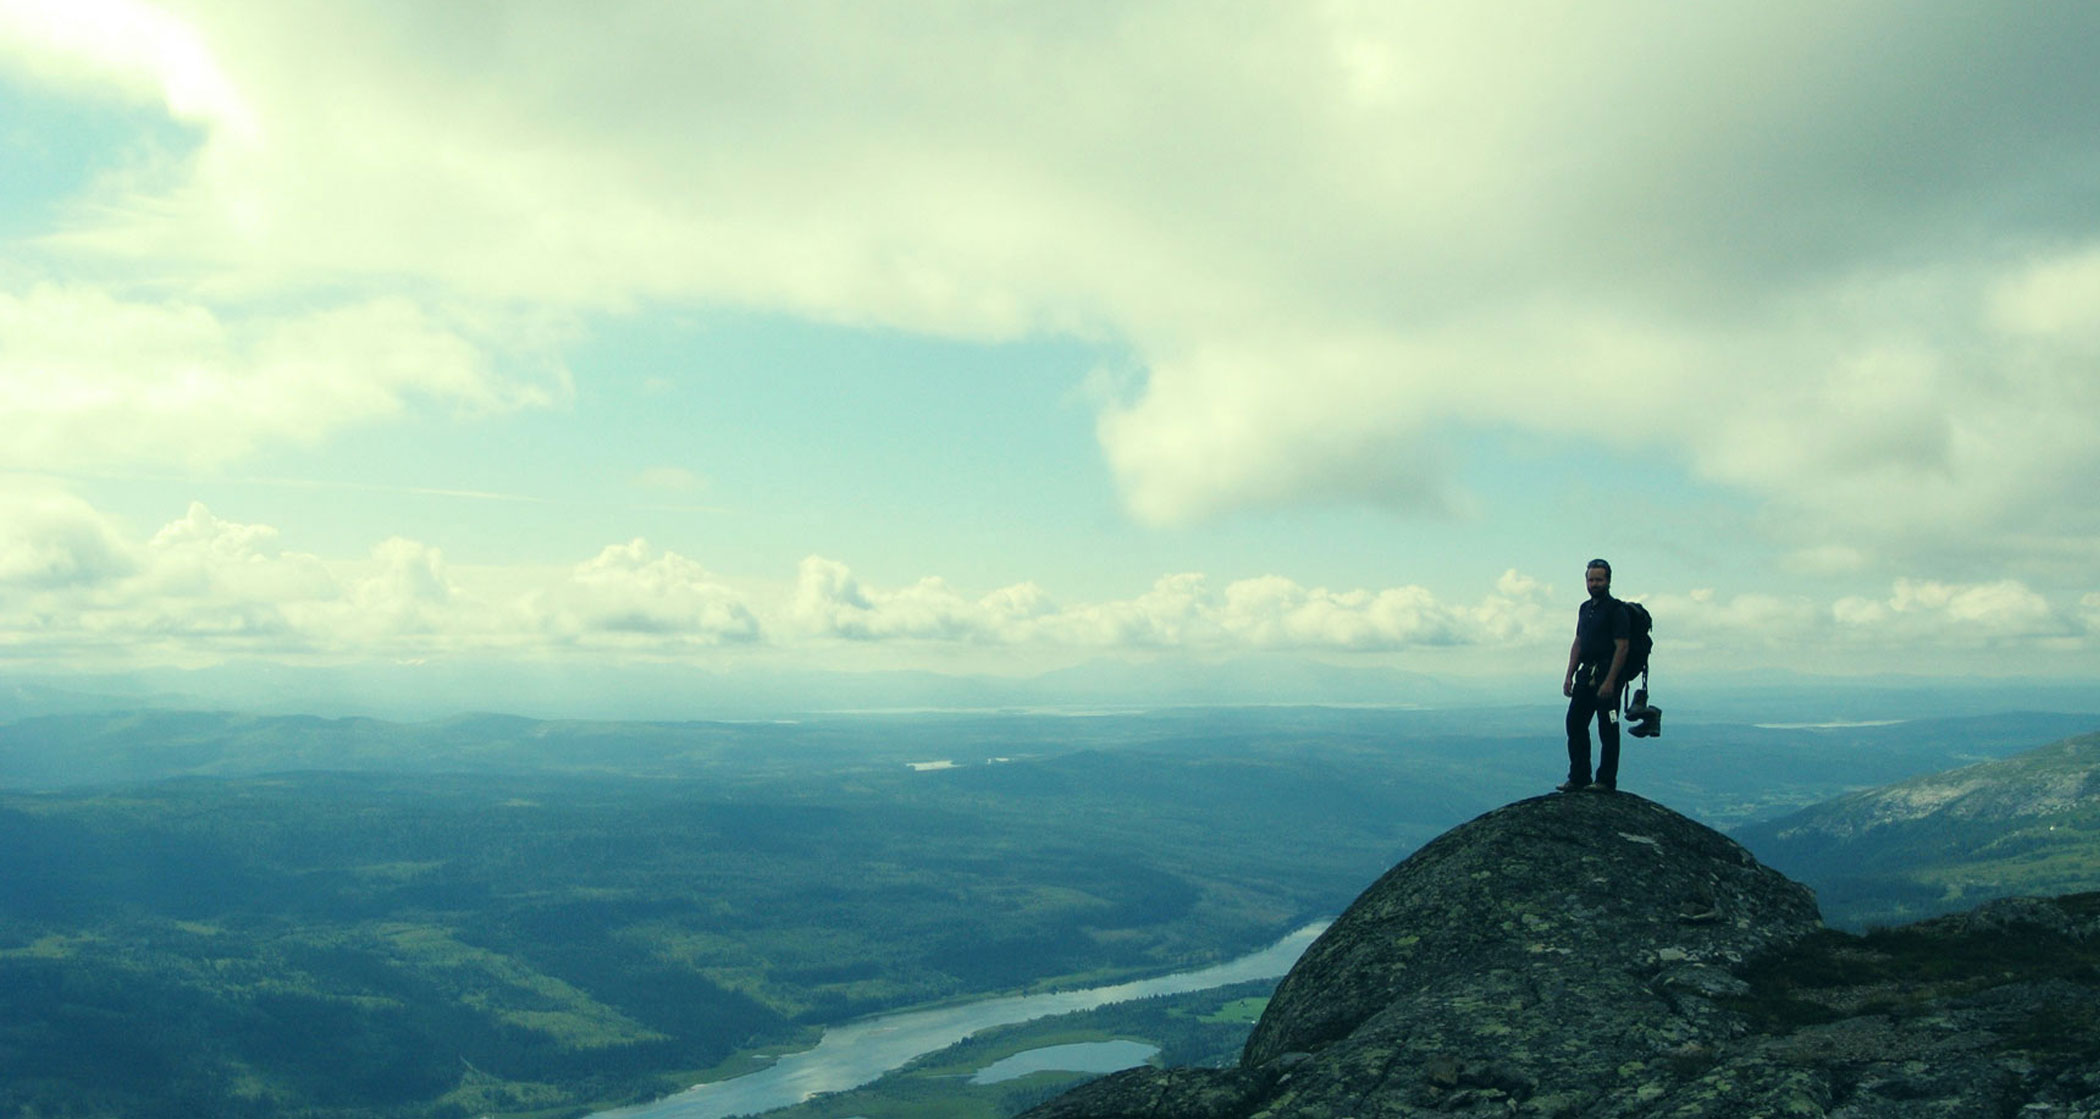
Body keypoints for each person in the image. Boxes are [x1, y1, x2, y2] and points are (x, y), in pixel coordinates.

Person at [1560, 558, 1629, 792]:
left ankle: (1606, 780)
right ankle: (1579, 777)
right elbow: (1578, 642)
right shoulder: (1585, 608)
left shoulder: (1616, 610)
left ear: (1608, 581)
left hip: (1607, 675)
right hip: (1585, 675)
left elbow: (1622, 646)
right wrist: (1569, 675)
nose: (1594, 584)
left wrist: (1610, 681)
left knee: (1608, 728)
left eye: (1599, 579)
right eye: (1591, 579)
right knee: (1575, 723)